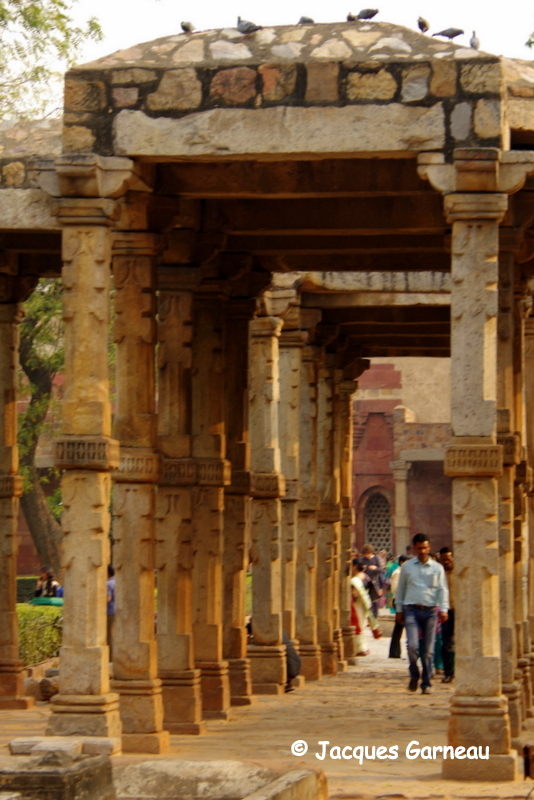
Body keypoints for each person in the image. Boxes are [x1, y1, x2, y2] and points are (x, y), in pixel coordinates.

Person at [395, 533, 449, 694]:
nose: (423, 551)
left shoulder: (437, 568)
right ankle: (414, 673)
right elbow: (401, 590)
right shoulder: (407, 567)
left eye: (425, 548)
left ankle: (426, 682)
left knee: (428, 650)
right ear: (415, 548)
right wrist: (399, 610)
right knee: (412, 646)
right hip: (411, 609)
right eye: (419, 548)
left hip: (431, 611)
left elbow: (442, 590)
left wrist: (444, 609)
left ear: (429, 547)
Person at [351, 558, 382, 656]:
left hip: (358, 605)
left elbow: (355, 594)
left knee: (358, 627)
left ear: (354, 567)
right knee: (362, 626)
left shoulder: (354, 580)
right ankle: (363, 647)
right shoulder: (365, 577)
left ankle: (360, 648)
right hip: (366, 603)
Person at [388, 554, 410, 658]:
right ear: (401, 562)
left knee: (400, 627)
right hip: (399, 601)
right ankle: (394, 652)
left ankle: (396, 652)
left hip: (405, 601)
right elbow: (395, 589)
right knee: (399, 627)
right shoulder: (398, 573)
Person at [439, 546, 455, 683]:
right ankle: (448, 672)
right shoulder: (439, 574)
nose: (446, 562)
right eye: (443, 560)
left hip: (460, 612)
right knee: (445, 643)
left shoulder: (461, 573)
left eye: (448, 559)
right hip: (445, 612)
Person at [360, 543, 383, 617]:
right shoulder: (362, 560)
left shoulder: (376, 559)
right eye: (365, 554)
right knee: (366, 600)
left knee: (374, 601)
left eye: (368, 554)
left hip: (375, 583)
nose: (367, 556)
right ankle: (367, 617)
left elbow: (381, 570)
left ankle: (375, 617)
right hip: (365, 582)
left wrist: (375, 568)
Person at [107, 565, 116, 661]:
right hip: (118, 611)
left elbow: (108, 598)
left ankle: (111, 658)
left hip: (110, 611)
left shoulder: (108, 584)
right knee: (115, 635)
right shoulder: (118, 581)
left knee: (110, 636)